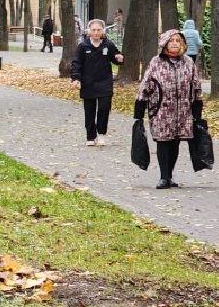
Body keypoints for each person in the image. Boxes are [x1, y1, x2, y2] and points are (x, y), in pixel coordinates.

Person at [135, 28, 203, 189]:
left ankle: (170, 174)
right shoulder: (156, 62)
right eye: (171, 41)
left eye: (178, 41)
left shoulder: (188, 62)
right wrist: (139, 110)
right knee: (163, 142)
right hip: (161, 110)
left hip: (183, 111)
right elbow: (145, 84)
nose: (174, 44)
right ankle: (164, 177)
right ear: (164, 43)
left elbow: (196, 86)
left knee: (176, 142)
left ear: (183, 45)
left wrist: (197, 110)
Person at [70, 18, 124, 146]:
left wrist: (119, 58)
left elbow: (116, 57)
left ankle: (101, 134)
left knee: (104, 108)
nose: (96, 32)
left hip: (104, 82)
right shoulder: (83, 46)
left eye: (98, 30)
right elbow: (76, 63)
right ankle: (90, 136)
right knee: (89, 110)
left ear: (103, 31)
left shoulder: (108, 45)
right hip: (88, 83)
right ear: (89, 31)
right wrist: (76, 78)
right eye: (93, 30)